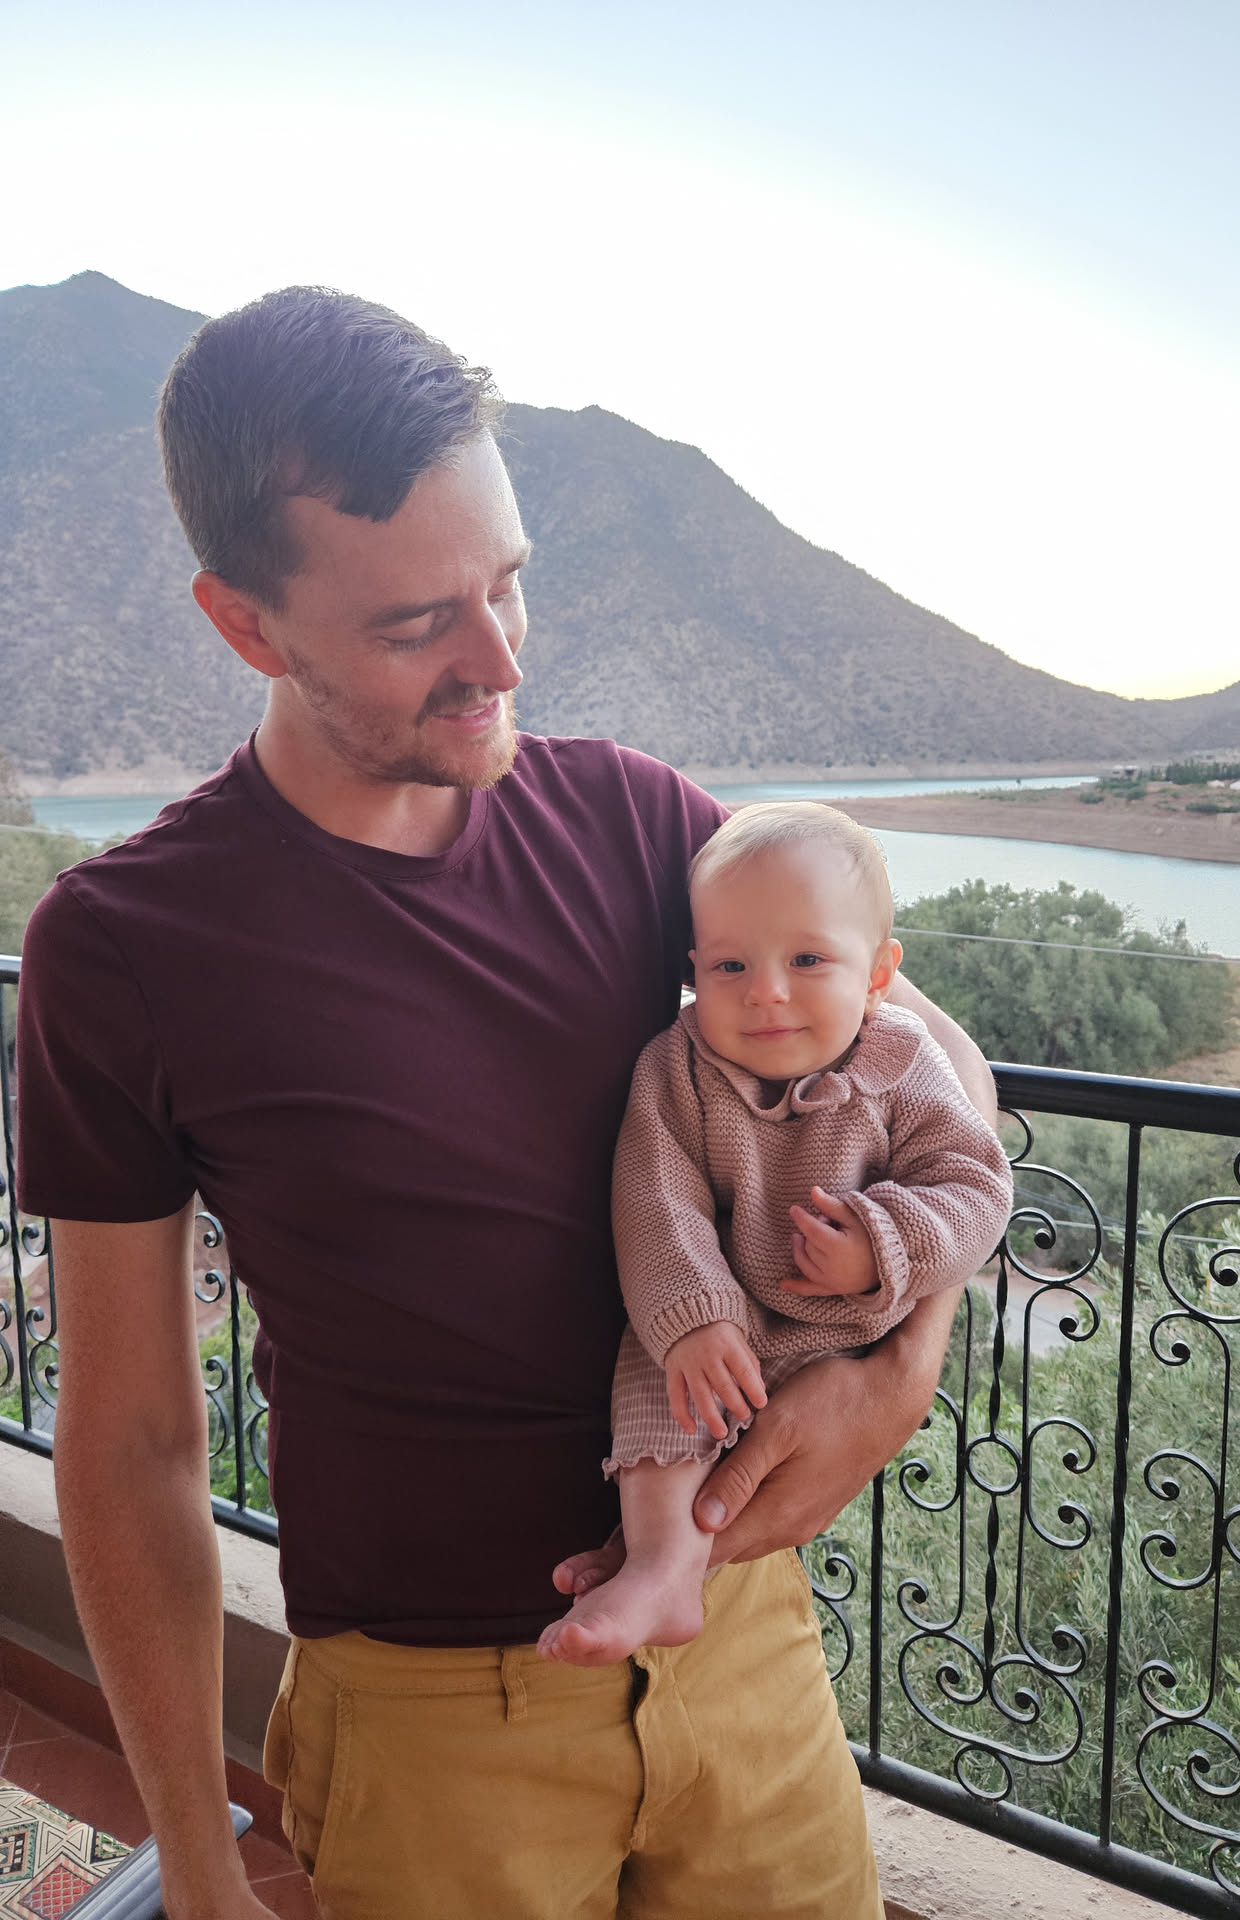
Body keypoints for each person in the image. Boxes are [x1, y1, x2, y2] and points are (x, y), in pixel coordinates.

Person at [15, 286, 1002, 1920]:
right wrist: (195, 1864)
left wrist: (899, 1372)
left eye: (510, 584)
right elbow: (126, 1443)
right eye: (420, 626)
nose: (500, 661)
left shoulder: (636, 821)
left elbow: (937, 1065)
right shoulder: (125, 948)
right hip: (428, 1722)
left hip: (740, 1641)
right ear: (247, 624)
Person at [539, 804, 1012, 1666]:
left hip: (844, 1341)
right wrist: (695, 1316)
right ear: (694, 973)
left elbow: (974, 1186)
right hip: (726, 1323)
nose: (765, 991)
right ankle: (660, 1567)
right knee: (658, 1377)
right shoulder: (678, 1068)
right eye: (731, 965)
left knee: (735, 1450)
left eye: (807, 961)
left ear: (878, 973)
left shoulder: (905, 1062)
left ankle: (675, 1566)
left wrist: (881, 1242)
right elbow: (657, 1196)